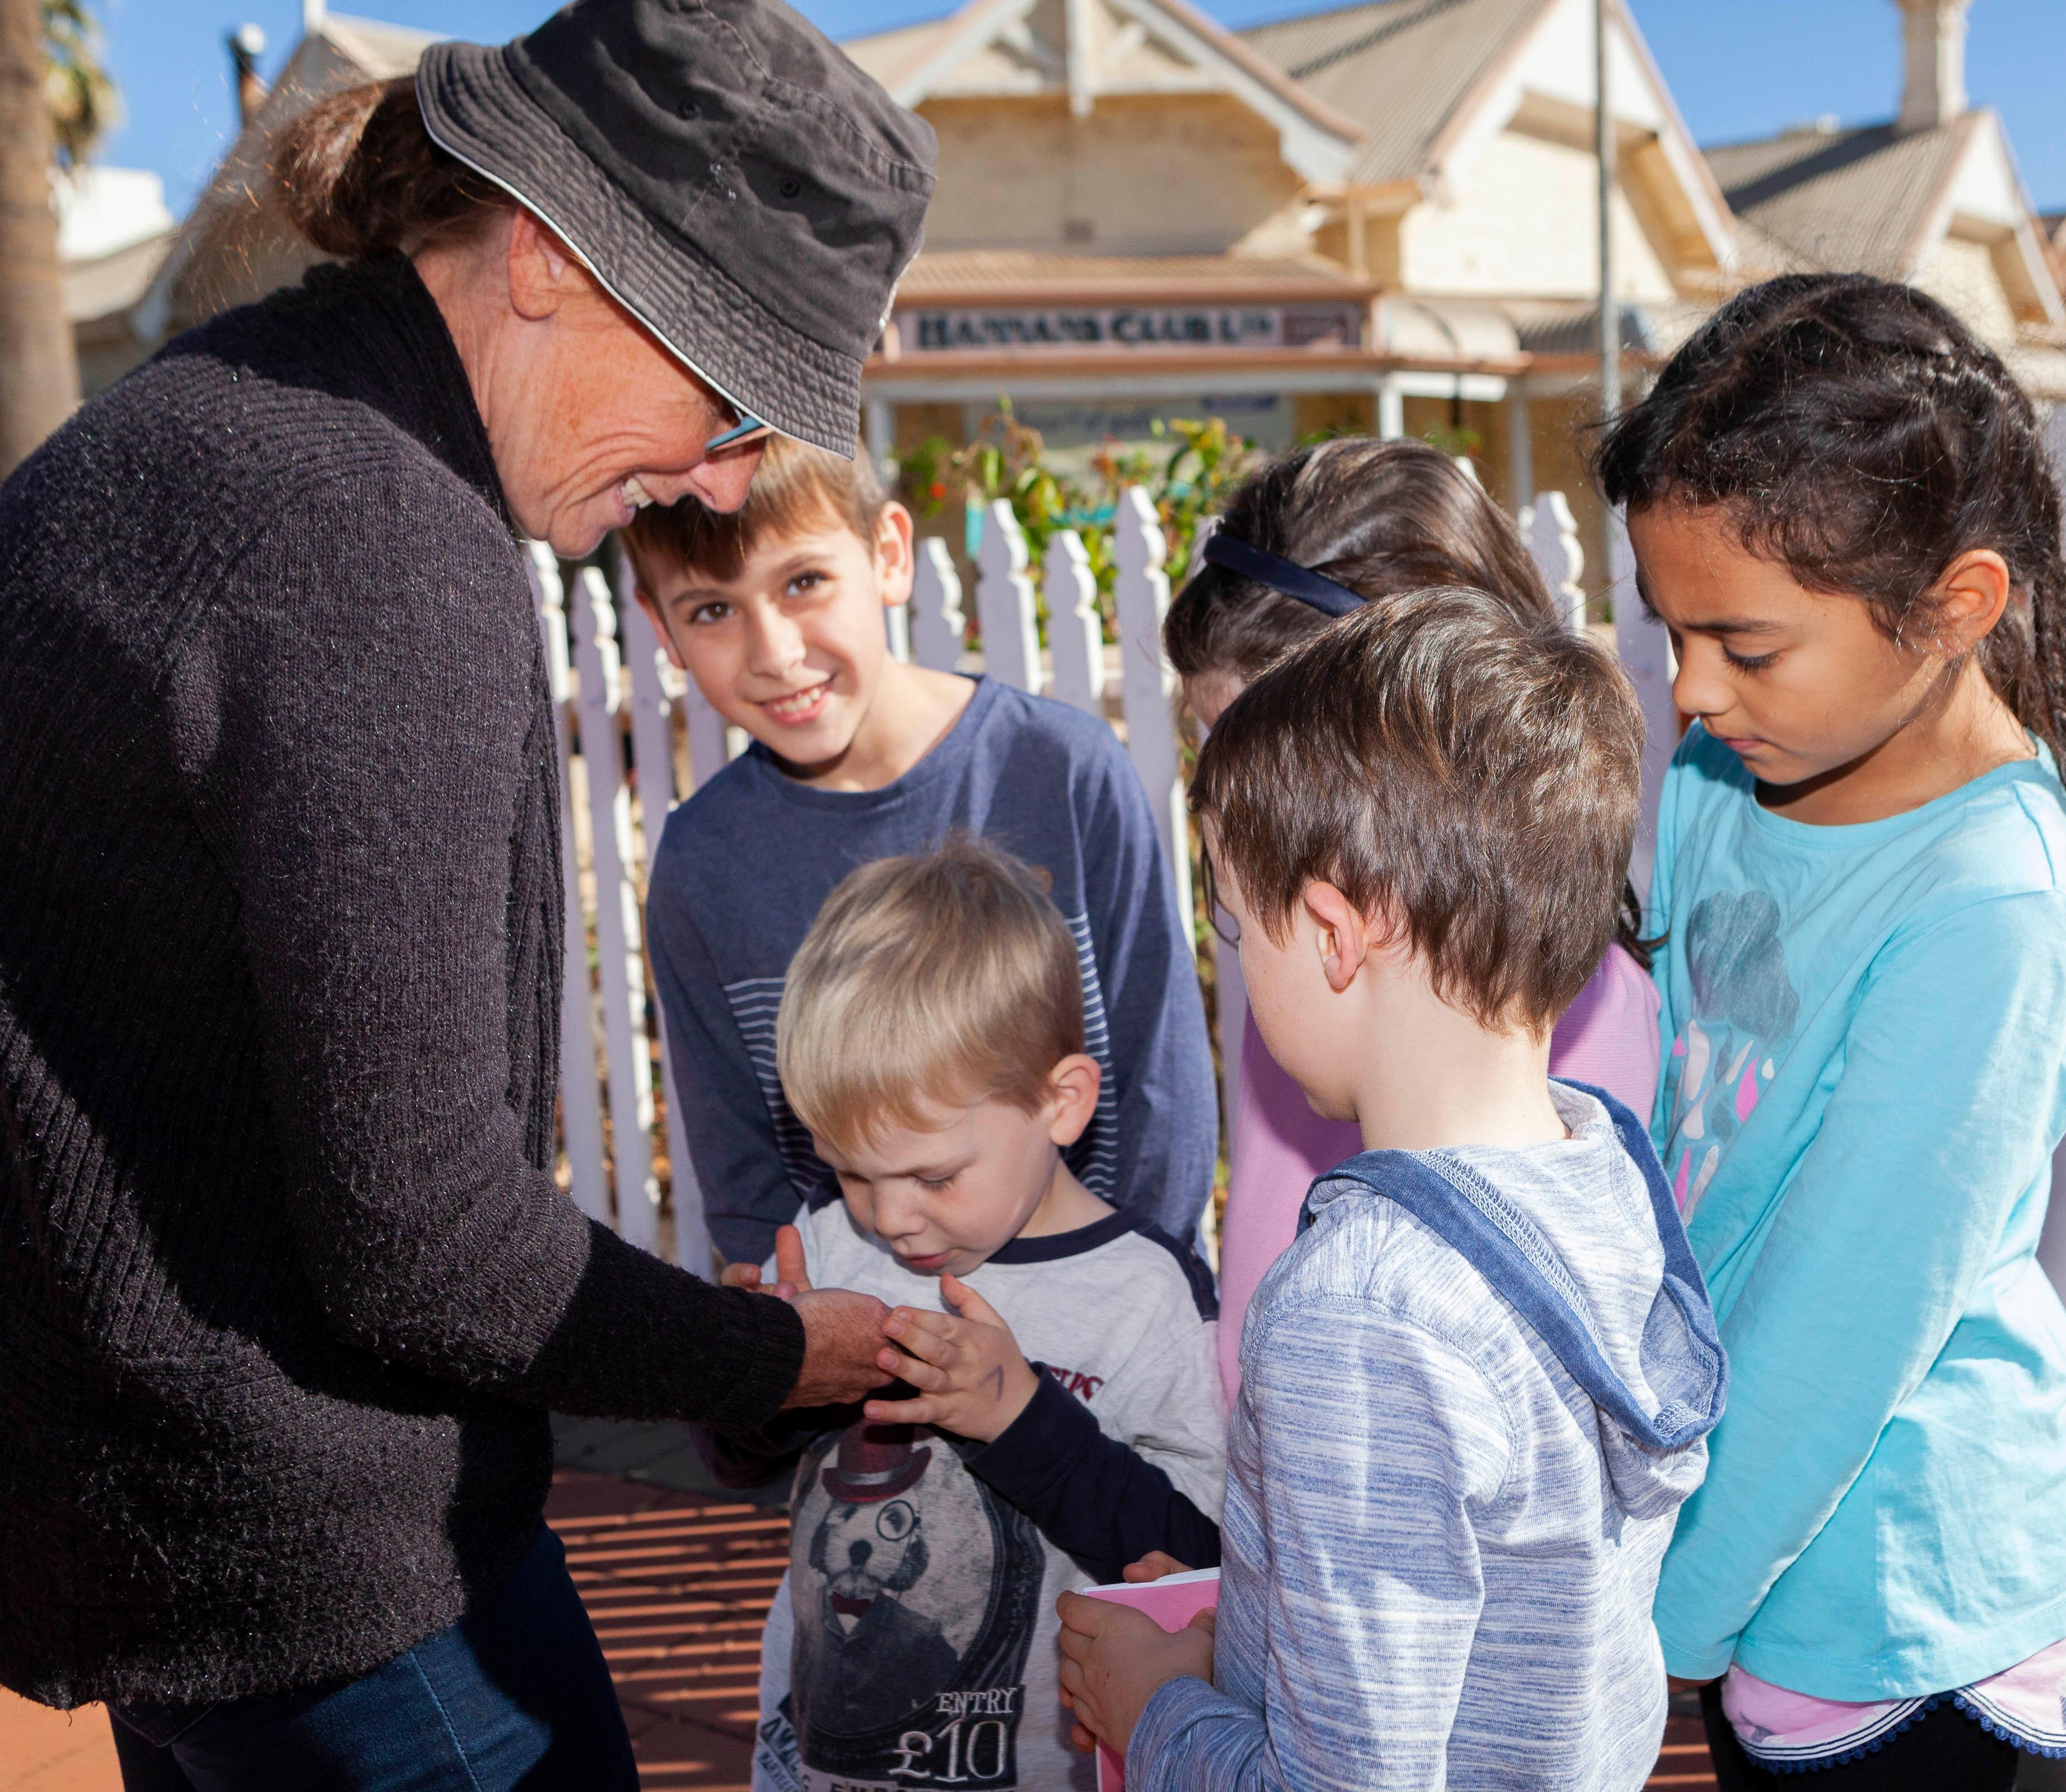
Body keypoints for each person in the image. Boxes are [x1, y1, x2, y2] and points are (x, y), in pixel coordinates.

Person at [0, 4, 934, 1787]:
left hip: (132, 1517)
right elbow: (428, 1246)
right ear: (559, 260)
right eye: (733, 400)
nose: (722, 477)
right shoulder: (375, 541)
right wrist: (771, 1353)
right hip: (319, 1567)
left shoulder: (178, 433)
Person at [1597, 274, 2066, 1788]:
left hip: (1890, 1621)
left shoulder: (1997, 914)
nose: (1693, 694)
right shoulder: (1725, 781)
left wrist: (1656, 1658)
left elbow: (1843, 1327)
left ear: (1955, 605)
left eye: (1746, 646)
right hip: (1725, 1552)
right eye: (1672, 633)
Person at [1055, 589, 1725, 1791]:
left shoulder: (1362, 1311)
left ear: (1331, 932)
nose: (1232, 959)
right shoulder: (1598, 1169)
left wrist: (1152, 1707)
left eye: (1232, 921)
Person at [705, 839, 1224, 1791]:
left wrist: (1023, 1421)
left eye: (933, 1175)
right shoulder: (827, 1244)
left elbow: (1199, 1559)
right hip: (824, 1759)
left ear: (1061, 1102)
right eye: (850, 1171)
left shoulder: (1145, 1296)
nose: (890, 1219)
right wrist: (760, 1373)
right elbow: (744, 1462)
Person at [632, 437, 1218, 1268]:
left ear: (890, 556)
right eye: (711, 611)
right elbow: (743, 1173)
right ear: (664, 630)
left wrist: (1135, 1294)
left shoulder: (1062, 772)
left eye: (804, 582)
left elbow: (1161, 1085)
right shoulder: (703, 866)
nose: (774, 652)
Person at [1160, 436, 1662, 1402]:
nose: (1227, 801)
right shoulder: (1311, 950)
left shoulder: (1577, 1018)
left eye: (1259, 749)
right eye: (1209, 745)